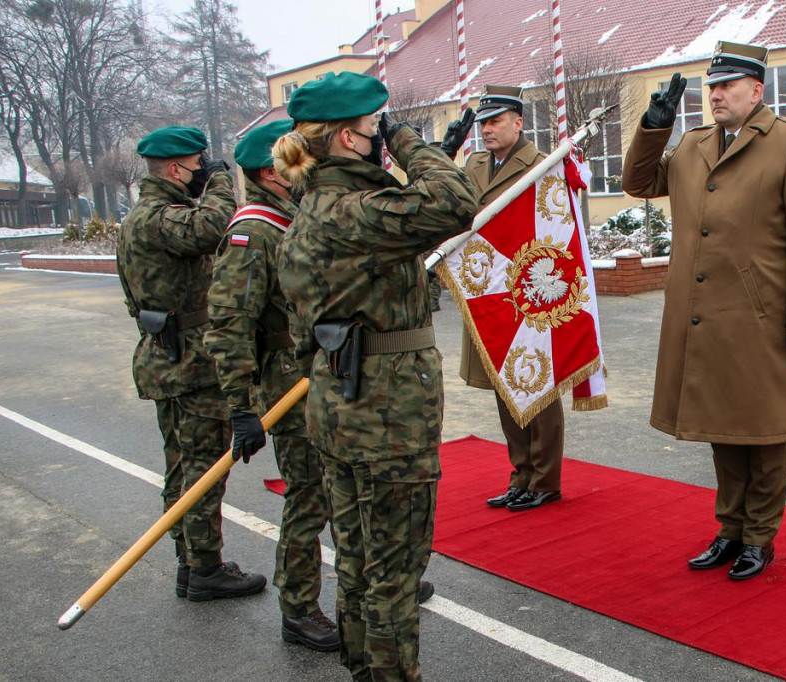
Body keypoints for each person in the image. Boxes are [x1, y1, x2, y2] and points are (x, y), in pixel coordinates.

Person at [273, 72, 478, 681]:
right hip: (386, 414)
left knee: (360, 560)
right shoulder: (353, 209)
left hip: (340, 401)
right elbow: (454, 202)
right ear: (346, 138)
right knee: (395, 569)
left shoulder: (314, 205)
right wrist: (412, 144)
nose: (381, 138)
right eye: (373, 129)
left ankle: (364, 668)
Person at [621, 42, 786, 581]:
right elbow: (639, 183)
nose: (715, 94)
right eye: (711, 86)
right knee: (721, 426)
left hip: (759, 316)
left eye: (727, 85)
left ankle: (760, 537)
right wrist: (653, 127)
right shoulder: (692, 146)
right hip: (701, 316)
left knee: (761, 431)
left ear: (756, 91)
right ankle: (730, 529)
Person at [202, 119, 339, 651]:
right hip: (288, 386)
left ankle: (364, 583)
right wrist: (241, 407)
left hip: (323, 374)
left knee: (343, 488)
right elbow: (229, 325)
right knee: (310, 496)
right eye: (297, 162)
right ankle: (299, 609)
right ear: (270, 171)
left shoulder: (295, 216)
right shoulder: (253, 230)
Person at [116, 125, 267, 600]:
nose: (204, 170)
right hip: (189, 362)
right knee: (202, 467)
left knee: (181, 464)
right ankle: (204, 567)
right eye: (199, 163)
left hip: (167, 354)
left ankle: (190, 561)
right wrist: (222, 181)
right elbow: (215, 225)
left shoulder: (142, 216)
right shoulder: (160, 216)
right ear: (179, 168)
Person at [460, 85, 566, 512]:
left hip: (526, 290)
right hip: (485, 287)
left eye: (496, 121)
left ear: (518, 123)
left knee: (536, 386)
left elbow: (554, 228)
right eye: (483, 123)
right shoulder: (475, 164)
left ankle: (545, 480)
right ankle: (520, 474)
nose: (486, 129)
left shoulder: (540, 165)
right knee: (503, 387)